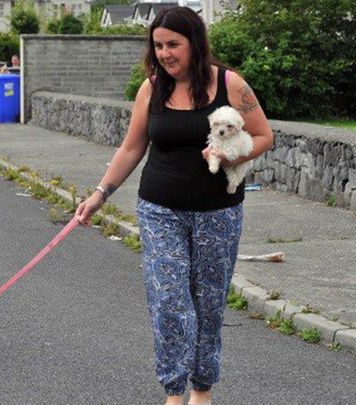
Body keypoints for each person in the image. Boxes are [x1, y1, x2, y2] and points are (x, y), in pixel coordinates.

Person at [75, 6, 273, 405]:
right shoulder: (152, 88)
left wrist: (234, 157)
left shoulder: (230, 83)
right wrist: (100, 194)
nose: (165, 53)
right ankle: (173, 390)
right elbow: (132, 148)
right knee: (168, 301)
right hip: (159, 210)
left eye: (173, 45)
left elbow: (264, 135)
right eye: (158, 46)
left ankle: (202, 389)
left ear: (195, 44)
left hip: (219, 213)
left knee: (210, 302)